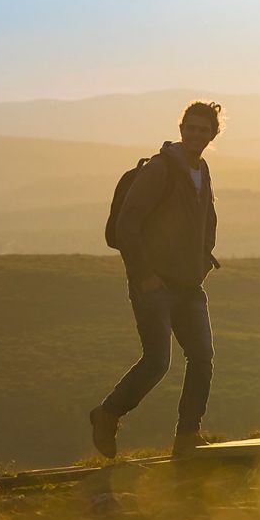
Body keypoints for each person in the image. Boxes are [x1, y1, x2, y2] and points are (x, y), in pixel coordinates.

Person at [92, 99, 222, 460]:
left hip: (188, 285)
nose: (196, 134)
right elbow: (127, 224)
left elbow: (206, 220)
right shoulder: (160, 170)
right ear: (181, 129)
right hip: (154, 285)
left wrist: (202, 261)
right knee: (157, 361)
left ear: (213, 134)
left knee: (201, 358)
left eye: (204, 129)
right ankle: (108, 413)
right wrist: (144, 275)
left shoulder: (202, 169)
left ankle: (188, 437)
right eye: (190, 128)